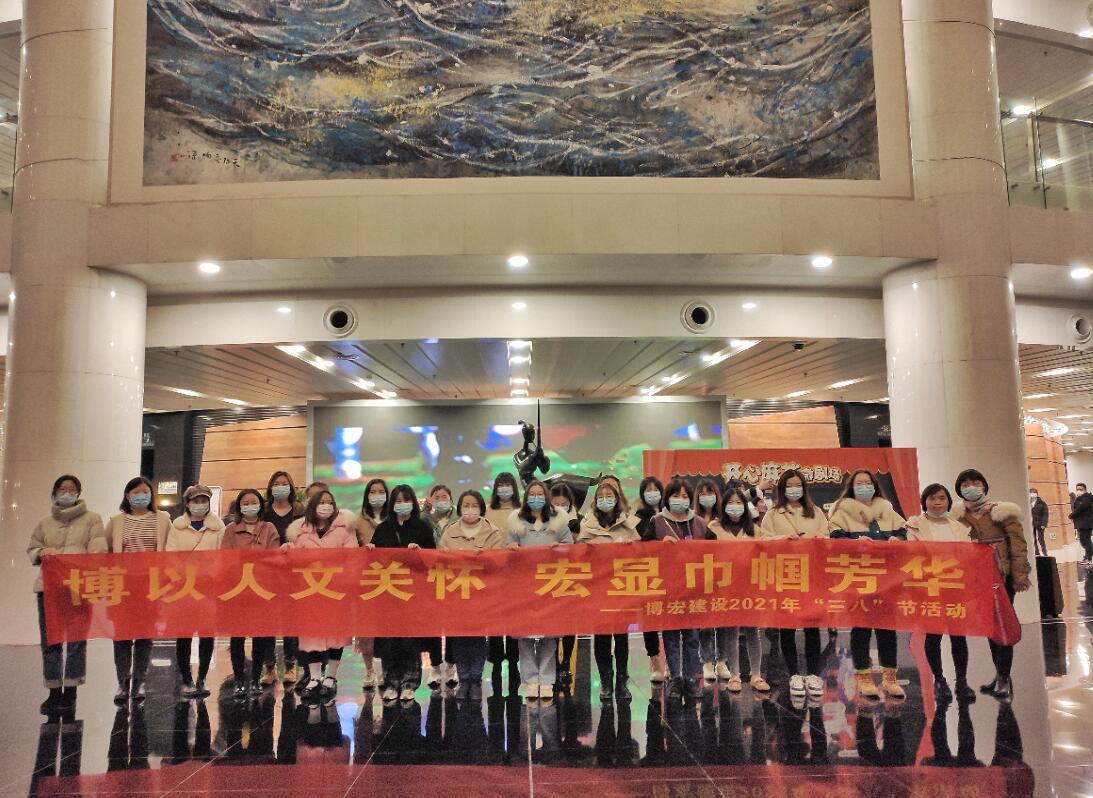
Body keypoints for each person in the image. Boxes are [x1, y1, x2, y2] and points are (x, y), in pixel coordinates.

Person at [28, 474, 107, 715]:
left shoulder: (92, 520)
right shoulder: (44, 523)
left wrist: (78, 567)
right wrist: (42, 552)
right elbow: (33, 548)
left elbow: (98, 552)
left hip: (78, 589)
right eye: (62, 489)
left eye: (71, 489)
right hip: (49, 589)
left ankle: (71, 691)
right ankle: (54, 691)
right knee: (50, 641)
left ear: (78, 493)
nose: (67, 493)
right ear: (54, 493)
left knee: (76, 642)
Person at [827, 469, 907, 701]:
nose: (864, 486)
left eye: (868, 482)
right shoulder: (842, 511)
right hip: (858, 578)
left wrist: (898, 539)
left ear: (875, 486)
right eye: (859, 483)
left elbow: (905, 533)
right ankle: (864, 677)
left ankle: (890, 678)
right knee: (861, 628)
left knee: (887, 629)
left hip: (886, 579)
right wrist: (854, 541)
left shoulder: (887, 509)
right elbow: (834, 540)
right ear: (852, 488)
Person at [952, 469, 1031, 701]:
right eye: (965, 484)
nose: (971, 487)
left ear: (985, 486)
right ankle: (999, 676)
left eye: (976, 483)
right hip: (976, 579)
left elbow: (1018, 545)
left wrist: (1020, 575)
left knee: (1003, 625)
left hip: (1001, 576)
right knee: (990, 627)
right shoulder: (957, 516)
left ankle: (1004, 678)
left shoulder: (1002, 511)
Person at [760, 469, 828, 703]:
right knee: (787, 626)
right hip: (785, 575)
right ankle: (794, 675)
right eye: (789, 485)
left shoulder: (815, 512)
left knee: (812, 626)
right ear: (782, 489)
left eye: (797, 485)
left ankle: (813, 674)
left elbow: (827, 538)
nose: (794, 489)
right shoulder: (773, 514)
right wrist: (783, 540)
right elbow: (763, 540)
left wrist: (815, 541)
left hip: (812, 575)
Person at [906, 484, 976, 704]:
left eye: (942, 498)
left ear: (948, 501)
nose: (937, 502)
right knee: (934, 635)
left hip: (955, 586)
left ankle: (962, 681)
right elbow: (912, 555)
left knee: (958, 635)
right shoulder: (915, 526)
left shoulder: (959, 527)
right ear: (924, 501)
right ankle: (939, 680)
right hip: (930, 587)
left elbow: (968, 557)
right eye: (932, 498)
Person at [288, 490, 359, 700]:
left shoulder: (345, 530)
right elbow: (294, 559)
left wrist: (346, 580)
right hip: (310, 590)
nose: (326, 506)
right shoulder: (301, 531)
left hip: (336, 589)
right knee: (311, 633)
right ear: (313, 505)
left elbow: (353, 557)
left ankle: (331, 677)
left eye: (330, 502)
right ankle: (314, 678)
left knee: (336, 634)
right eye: (321, 502)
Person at [506, 480, 573, 700]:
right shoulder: (516, 521)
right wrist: (511, 548)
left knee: (549, 636)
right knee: (524, 637)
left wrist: (560, 548)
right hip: (523, 586)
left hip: (550, 585)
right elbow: (507, 548)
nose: (536, 498)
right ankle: (530, 680)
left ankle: (546, 680)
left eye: (540, 494)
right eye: (532, 494)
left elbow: (571, 547)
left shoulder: (558, 520)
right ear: (526, 498)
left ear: (546, 497)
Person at [106, 476, 170, 705]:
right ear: (127, 495)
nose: (141, 496)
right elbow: (104, 551)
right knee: (121, 635)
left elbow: (171, 549)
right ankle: (122, 682)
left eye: (145, 492)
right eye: (136, 492)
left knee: (144, 635)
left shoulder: (162, 520)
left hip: (149, 585)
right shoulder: (116, 521)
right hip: (123, 585)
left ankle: (140, 681)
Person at [369, 484, 436, 701]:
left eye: (406, 500)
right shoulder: (383, 529)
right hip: (388, 592)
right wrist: (370, 551)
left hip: (414, 593)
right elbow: (373, 561)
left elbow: (433, 560)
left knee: (411, 639)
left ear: (413, 503)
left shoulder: (422, 527)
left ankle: (410, 683)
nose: (402, 505)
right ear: (392, 504)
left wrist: (420, 553)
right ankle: (391, 682)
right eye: (398, 501)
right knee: (389, 639)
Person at [578, 479, 640, 701]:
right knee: (602, 638)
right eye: (601, 497)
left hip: (622, 589)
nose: (605, 500)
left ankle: (622, 681)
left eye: (609, 496)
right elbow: (578, 555)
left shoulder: (629, 523)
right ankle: (606, 681)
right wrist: (586, 549)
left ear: (617, 498)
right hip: (598, 590)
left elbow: (641, 554)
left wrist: (631, 549)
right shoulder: (587, 524)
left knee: (621, 637)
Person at [438, 489, 502, 695]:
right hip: (456, 592)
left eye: (474, 505)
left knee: (477, 636)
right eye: (466, 505)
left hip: (481, 593)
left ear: (481, 508)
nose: (470, 509)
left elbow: (497, 561)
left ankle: (475, 677)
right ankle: (463, 676)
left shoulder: (492, 532)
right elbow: (441, 560)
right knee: (459, 636)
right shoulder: (450, 531)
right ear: (459, 508)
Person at [706, 487, 770, 693]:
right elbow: (703, 553)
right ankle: (734, 676)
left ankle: (756, 675)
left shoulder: (755, 529)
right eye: (731, 503)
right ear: (724, 506)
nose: (735, 507)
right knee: (731, 631)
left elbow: (769, 549)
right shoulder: (714, 527)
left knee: (753, 631)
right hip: (725, 587)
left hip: (750, 587)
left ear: (745, 506)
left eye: (739, 503)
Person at [222, 488, 280, 699]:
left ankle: (255, 679)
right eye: (245, 503)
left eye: (253, 502)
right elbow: (226, 558)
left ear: (260, 505)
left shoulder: (269, 528)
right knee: (237, 637)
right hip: (238, 590)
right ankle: (239, 681)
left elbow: (273, 557)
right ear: (239, 507)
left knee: (260, 637)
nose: (249, 506)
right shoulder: (231, 530)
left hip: (262, 589)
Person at [651, 478, 706, 698]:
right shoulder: (657, 521)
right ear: (667, 498)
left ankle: (691, 679)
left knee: (692, 637)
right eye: (676, 496)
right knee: (671, 637)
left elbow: (717, 549)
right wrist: (658, 546)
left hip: (693, 590)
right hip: (668, 589)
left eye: (684, 496)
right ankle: (674, 679)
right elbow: (641, 551)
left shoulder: (699, 523)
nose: (680, 500)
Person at [169, 485, 225, 698]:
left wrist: (212, 576)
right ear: (187, 503)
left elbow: (223, 557)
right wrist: (181, 579)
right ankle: (186, 678)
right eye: (196, 501)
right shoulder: (177, 527)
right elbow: (170, 557)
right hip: (184, 589)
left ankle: (202, 677)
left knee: (207, 634)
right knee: (184, 635)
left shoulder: (218, 527)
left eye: (204, 500)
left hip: (209, 589)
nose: (200, 504)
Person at [260, 470, 305, 686]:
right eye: (276, 483)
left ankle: (290, 664)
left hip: (293, 572)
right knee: (267, 619)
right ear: (271, 487)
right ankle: (269, 667)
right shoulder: (264, 511)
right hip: (268, 572)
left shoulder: (300, 510)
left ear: (291, 487)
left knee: (290, 619)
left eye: (284, 483)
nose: (280, 487)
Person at [485, 472, 521, 688]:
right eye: (501, 485)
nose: (504, 488)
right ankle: (496, 661)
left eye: (508, 484)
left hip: (516, 570)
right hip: (493, 570)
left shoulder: (521, 509)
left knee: (514, 617)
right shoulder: (487, 509)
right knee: (496, 617)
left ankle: (514, 660)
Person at [421, 483, 459, 688]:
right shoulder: (425, 520)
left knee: (453, 621)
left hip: (454, 575)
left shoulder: (459, 518)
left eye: (445, 497)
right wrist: (425, 510)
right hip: (431, 575)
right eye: (437, 497)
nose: (441, 500)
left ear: (451, 499)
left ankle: (451, 665)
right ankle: (435, 666)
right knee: (432, 623)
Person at [355, 477, 389, 689]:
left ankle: (384, 669)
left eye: (381, 492)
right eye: (373, 492)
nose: (377, 495)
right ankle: (369, 670)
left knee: (386, 628)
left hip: (390, 579)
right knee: (366, 629)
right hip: (366, 579)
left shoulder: (394, 518)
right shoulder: (358, 521)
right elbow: (350, 548)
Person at [635, 477, 666, 684]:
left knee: (671, 615)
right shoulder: (638, 518)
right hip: (648, 573)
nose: (652, 493)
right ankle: (654, 659)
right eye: (648, 490)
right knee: (650, 617)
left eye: (656, 490)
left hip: (670, 572)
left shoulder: (670, 513)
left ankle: (671, 661)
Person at [550, 482, 581, 686]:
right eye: (556, 503)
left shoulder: (578, 521)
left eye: (564, 504)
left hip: (572, 577)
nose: (561, 507)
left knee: (570, 623)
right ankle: (553, 664)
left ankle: (566, 663)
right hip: (550, 578)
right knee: (553, 623)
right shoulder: (543, 520)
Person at [1070, 483, 1093, 565]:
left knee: (1086, 541)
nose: (1079, 491)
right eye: (1077, 489)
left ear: (1085, 490)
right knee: (1084, 541)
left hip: (1086, 524)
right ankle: (1087, 556)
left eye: (1081, 489)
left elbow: (1079, 509)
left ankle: (1089, 559)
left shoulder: (1086, 499)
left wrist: (1071, 516)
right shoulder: (1080, 499)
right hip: (1082, 523)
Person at [1030, 488, 1049, 557]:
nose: (1032, 494)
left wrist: (1044, 524)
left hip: (1040, 524)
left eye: (1034, 493)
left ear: (1037, 494)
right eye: (1031, 493)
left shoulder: (1042, 503)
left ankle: (1044, 552)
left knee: (1041, 538)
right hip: (1031, 524)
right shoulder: (1028, 503)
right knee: (1033, 538)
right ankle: (1036, 552)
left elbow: (1045, 514)